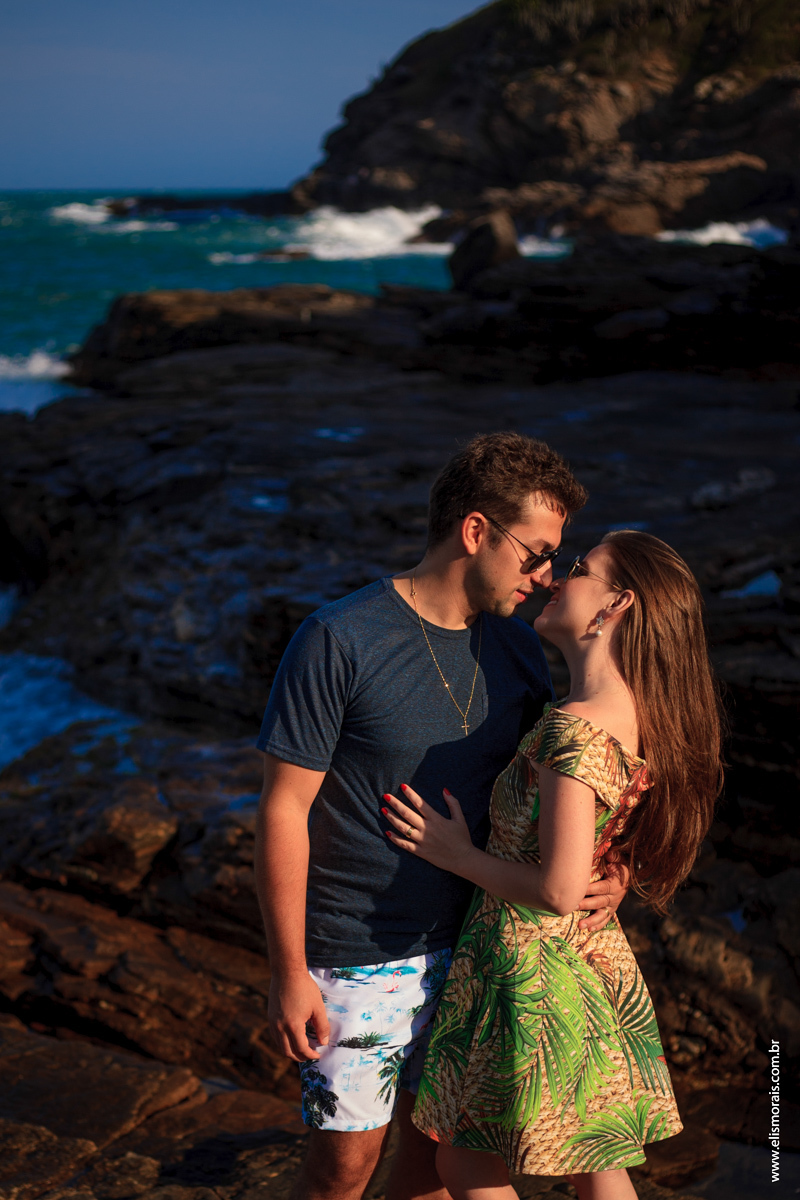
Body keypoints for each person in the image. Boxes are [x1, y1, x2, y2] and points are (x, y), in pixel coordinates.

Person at [253, 433, 631, 1200]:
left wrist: (611, 869)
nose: (547, 575)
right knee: (342, 1168)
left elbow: (562, 788)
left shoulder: (522, 652)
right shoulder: (338, 639)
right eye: (535, 552)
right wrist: (289, 972)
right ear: (475, 531)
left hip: (481, 949)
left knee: (435, 1164)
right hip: (360, 949)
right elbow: (282, 810)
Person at [385, 530, 724, 1200]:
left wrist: (457, 854)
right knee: (596, 1160)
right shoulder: (640, 716)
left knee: (467, 1164)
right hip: (586, 963)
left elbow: (559, 889)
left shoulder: (574, 728)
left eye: (578, 569)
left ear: (615, 606)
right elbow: (604, 832)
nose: (553, 577)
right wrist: (618, 865)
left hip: (527, 973)